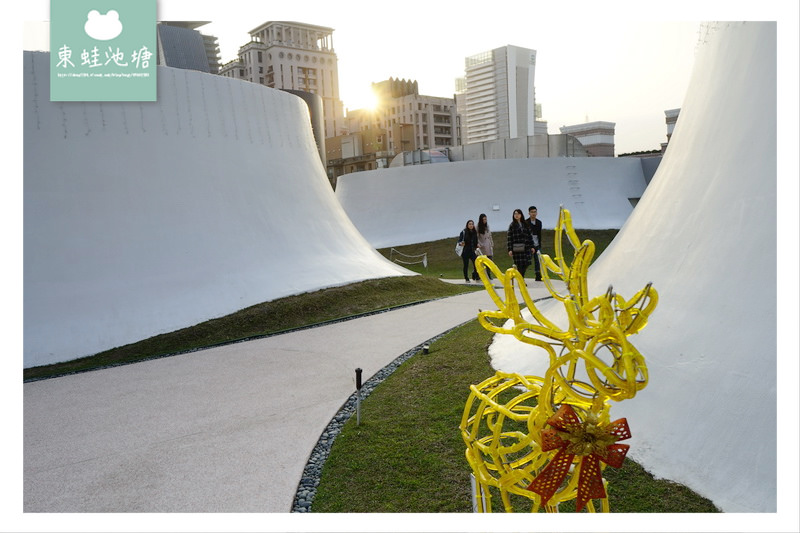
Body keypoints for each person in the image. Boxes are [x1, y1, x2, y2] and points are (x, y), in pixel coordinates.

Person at [507, 209, 534, 278]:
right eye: (515, 214)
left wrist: (532, 246)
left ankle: (521, 277)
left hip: (526, 247)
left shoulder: (525, 224)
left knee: (526, 263)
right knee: (519, 264)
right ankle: (521, 279)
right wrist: (510, 249)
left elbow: (529, 236)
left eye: (518, 214)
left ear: (521, 215)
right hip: (517, 247)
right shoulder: (512, 225)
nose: (516, 215)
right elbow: (509, 238)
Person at [526, 206, 543, 281]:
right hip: (529, 244)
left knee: (538, 260)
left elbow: (539, 233)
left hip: (537, 244)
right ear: (529, 213)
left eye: (535, 212)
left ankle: (538, 275)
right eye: (532, 212)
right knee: (527, 260)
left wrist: (539, 244)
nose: (533, 214)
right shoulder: (526, 222)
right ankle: (521, 274)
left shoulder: (539, 222)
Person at [476, 213, 494, 279]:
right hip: (482, 246)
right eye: (483, 219)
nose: (484, 220)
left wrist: (492, 243)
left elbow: (490, 235)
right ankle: (479, 275)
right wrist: (479, 244)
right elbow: (476, 237)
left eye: (485, 219)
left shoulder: (487, 226)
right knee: (482, 261)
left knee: (490, 261)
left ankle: (489, 274)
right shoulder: (477, 227)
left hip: (488, 245)